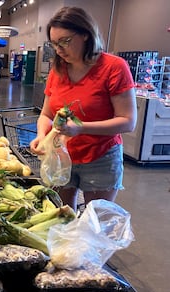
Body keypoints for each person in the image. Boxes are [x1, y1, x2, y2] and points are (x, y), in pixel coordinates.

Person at [29, 6, 137, 211]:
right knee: (62, 217)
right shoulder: (58, 70)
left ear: (86, 35)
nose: (59, 50)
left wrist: (81, 128)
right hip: (61, 155)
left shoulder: (114, 67)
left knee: (95, 223)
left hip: (100, 158)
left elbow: (128, 121)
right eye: (54, 44)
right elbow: (47, 113)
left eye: (65, 42)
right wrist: (41, 135)